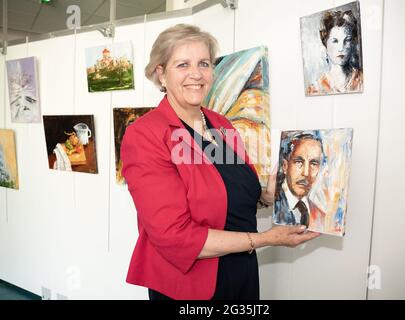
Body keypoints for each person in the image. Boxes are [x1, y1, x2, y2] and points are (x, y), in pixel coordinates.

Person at [120, 24, 320, 300]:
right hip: (189, 285)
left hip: (241, 272)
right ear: (161, 74)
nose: (196, 74)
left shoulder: (221, 125)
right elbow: (174, 236)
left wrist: (269, 196)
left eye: (204, 63)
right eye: (183, 65)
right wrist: (265, 239)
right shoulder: (145, 135)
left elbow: (230, 193)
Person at [273, 132, 326, 231]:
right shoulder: (276, 206)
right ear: (285, 166)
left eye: (314, 164)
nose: (306, 173)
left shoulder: (321, 217)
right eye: (299, 162)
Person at [307, 9, 363, 95]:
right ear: (325, 45)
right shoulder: (315, 88)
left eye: (347, 40)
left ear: (352, 43)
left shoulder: (362, 79)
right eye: (335, 41)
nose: (341, 48)